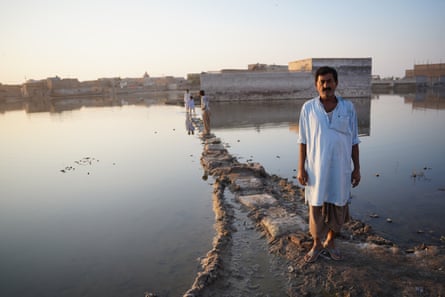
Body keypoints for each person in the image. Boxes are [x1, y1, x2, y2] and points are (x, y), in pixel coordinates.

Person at [297, 66, 361, 263]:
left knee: (339, 205)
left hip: (341, 169)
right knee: (316, 205)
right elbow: (303, 140)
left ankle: (331, 241)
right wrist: (301, 168)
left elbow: (354, 140)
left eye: (330, 81)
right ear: (316, 85)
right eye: (322, 82)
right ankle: (317, 243)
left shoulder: (348, 107)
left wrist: (357, 168)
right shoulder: (308, 108)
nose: (326, 85)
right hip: (316, 169)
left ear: (336, 83)